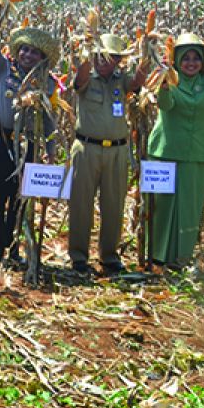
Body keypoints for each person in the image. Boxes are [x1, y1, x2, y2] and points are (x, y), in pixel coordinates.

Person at [0, 18, 58, 268]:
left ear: (41, 57)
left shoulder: (46, 82)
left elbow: (49, 119)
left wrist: (50, 150)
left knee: (19, 198)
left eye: (34, 52)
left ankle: (14, 249)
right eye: (24, 49)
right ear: (18, 51)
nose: (28, 55)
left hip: (27, 145)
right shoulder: (3, 68)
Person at [67, 34, 146, 276]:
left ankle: (109, 256)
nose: (104, 61)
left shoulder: (121, 80)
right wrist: (86, 56)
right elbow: (78, 82)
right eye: (99, 56)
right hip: (87, 148)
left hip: (117, 150)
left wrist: (147, 53)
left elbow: (137, 84)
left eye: (110, 57)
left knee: (114, 204)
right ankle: (79, 256)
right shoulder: (86, 77)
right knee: (81, 204)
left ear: (117, 60)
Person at [147, 33, 204, 273]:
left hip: (196, 154)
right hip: (165, 151)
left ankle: (180, 259)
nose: (191, 63)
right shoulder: (169, 80)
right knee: (161, 206)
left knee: (189, 207)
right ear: (177, 60)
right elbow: (165, 105)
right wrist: (165, 86)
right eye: (186, 58)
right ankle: (156, 257)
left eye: (195, 58)